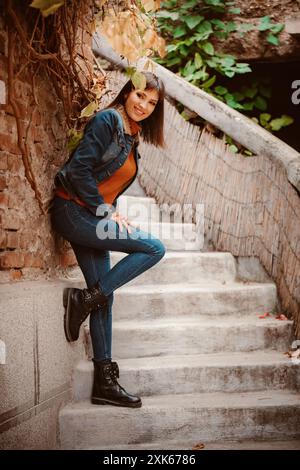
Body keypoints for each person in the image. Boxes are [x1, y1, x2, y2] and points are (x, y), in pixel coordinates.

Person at [51, 71, 166, 409]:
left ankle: (104, 381)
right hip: (73, 211)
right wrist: (104, 210)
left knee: (105, 295)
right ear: (128, 91)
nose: (143, 105)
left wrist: (111, 209)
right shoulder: (107, 121)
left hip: (93, 215)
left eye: (151, 102)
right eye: (140, 95)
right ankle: (84, 300)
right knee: (153, 247)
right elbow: (78, 171)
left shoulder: (133, 136)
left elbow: (108, 179)